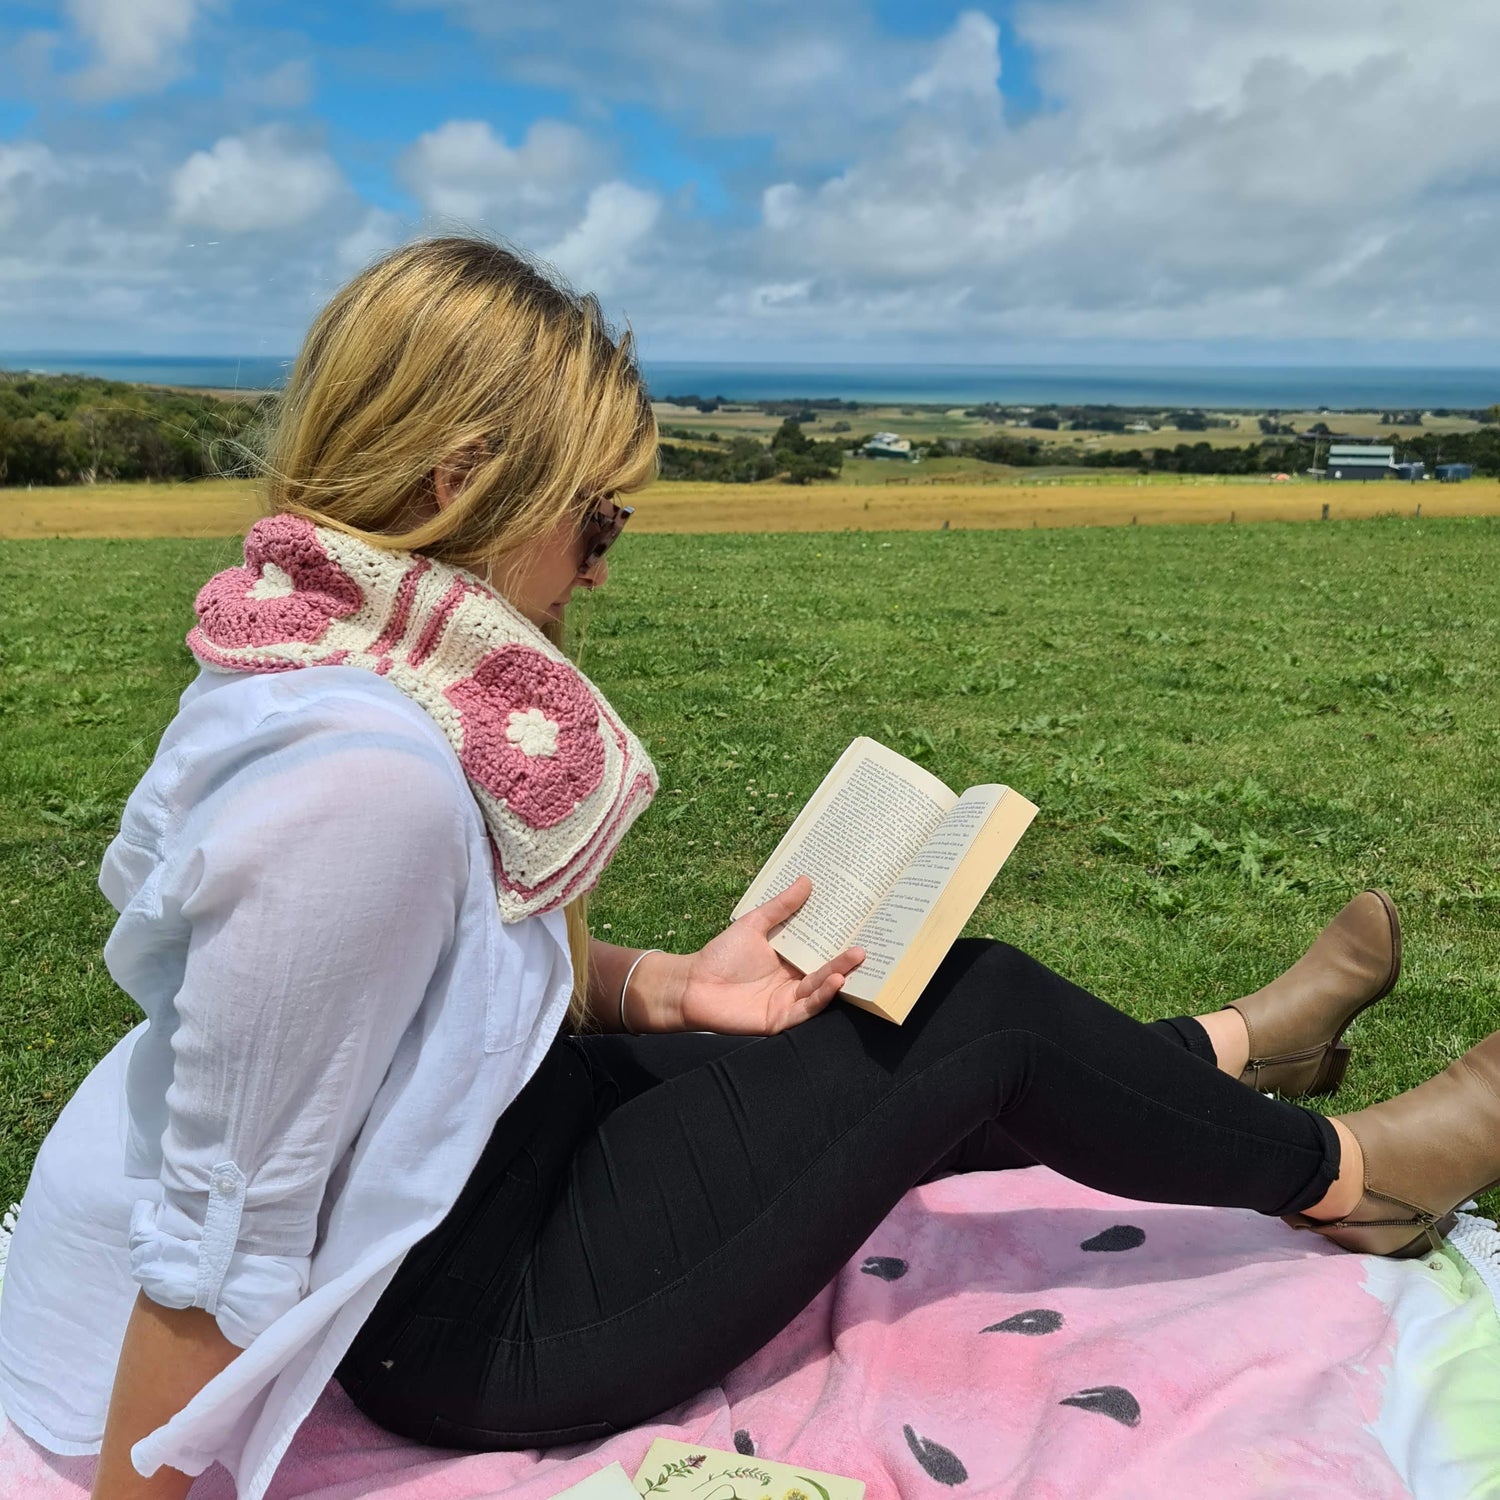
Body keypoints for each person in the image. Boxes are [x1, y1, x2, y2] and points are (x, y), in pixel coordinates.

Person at [0, 237, 1496, 1500]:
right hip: (458, 1320)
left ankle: (1232, 1051)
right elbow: (222, 1231)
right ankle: (1352, 1179)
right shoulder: (360, 777)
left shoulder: (301, 643)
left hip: (470, 1169)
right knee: (973, 1018)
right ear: (462, 483)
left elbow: (391, 977)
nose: (602, 565)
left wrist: (658, 987)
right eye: (597, 519)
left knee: (884, 1025)